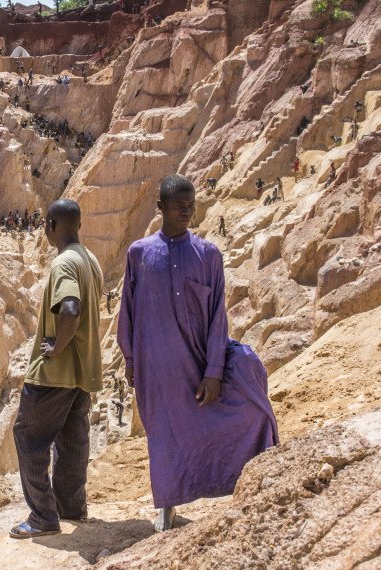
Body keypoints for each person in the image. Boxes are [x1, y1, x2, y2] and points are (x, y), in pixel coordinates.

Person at [117, 176, 278, 532]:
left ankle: (249, 479)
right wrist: (130, 360)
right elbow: (127, 311)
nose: (188, 211)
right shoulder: (140, 254)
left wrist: (215, 371)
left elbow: (218, 313)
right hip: (156, 365)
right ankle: (167, 506)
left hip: (199, 362)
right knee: (164, 434)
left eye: (191, 204)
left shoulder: (208, 255)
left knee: (252, 406)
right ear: (160, 208)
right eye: (179, 205)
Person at [10, 199, 103, 539]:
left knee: (28, 435)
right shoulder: (89, 259)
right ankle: (70, 508)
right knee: (72, 438)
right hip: (82, 371)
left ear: (50, 225)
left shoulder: (63, 263)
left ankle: (42, 517)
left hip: (55, 371)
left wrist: (57, 346)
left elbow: (71, 307)